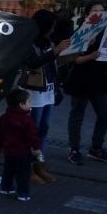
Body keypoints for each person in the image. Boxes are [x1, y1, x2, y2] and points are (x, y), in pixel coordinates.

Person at [21, 10, 70, 183]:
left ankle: (39, 164)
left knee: (43, 129)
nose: (53, 30)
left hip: (48, 90)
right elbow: (33, 62)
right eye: (51, 26)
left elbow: (53, 65)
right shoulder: (28, 42)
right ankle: (27, 167)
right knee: (32, 130)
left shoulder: (48, 41)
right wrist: (55, 51)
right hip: (33, 92)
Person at [64, 2, 107, 165]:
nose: (99, 14)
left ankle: (96, 148)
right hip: (81, 79)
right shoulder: (80, 32)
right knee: (77, 115)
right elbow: (75, 59)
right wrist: (90, 55)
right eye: (95, 11)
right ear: (87, 14)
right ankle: (74, 149)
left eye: (102, 11)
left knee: (106, 114)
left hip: (100, 79)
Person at [0, 89, 43, 202]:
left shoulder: (4, 117)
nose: (30, 104)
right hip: (23, 152)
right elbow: (33, 136)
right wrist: (36, 148)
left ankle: (6, 187)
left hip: (8, 150)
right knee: (23, 173)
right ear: (21, 104)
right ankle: (23, 193)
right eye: (28, 101)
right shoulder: (27, 119)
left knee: (8, 169)